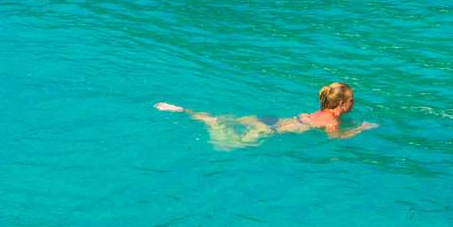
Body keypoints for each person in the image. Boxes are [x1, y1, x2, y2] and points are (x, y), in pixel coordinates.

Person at [154, 81, 377, 150]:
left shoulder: (321, 112)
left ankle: (183, 110)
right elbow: (334, 137)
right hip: (271, 129)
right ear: (341, 104)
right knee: (231, 144)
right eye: (351, 100)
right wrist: (360, 128)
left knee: (220, 117)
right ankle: (194, 116)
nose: (354, 103)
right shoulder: (331, 119)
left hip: (273, 119)